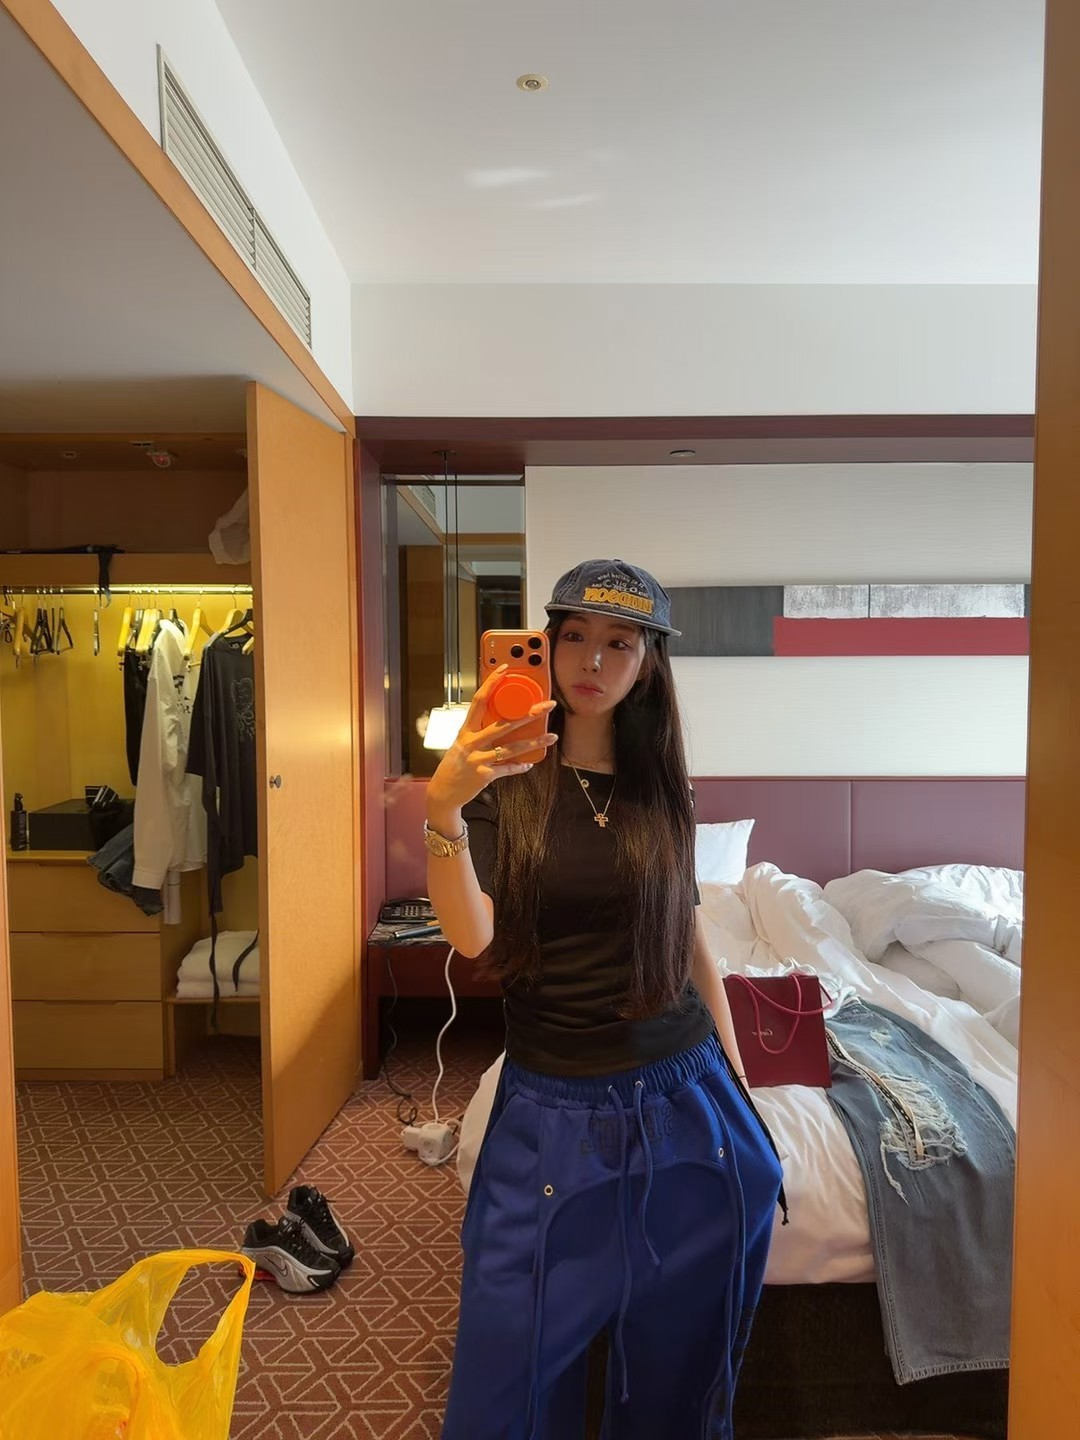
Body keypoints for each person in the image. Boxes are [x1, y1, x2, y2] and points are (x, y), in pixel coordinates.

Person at [423, 558, 785, 1440]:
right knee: (505, 1370)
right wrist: (443, 810)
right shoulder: (499, 777)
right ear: (544, 646)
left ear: (648, 662)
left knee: (682, 1356)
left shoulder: (664, 788)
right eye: (574, 636)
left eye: (619, 643)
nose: (591, 660)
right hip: (551, 1103)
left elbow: (689, 939)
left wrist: (740, 1086)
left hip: (682, 1090)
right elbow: (472, 937)